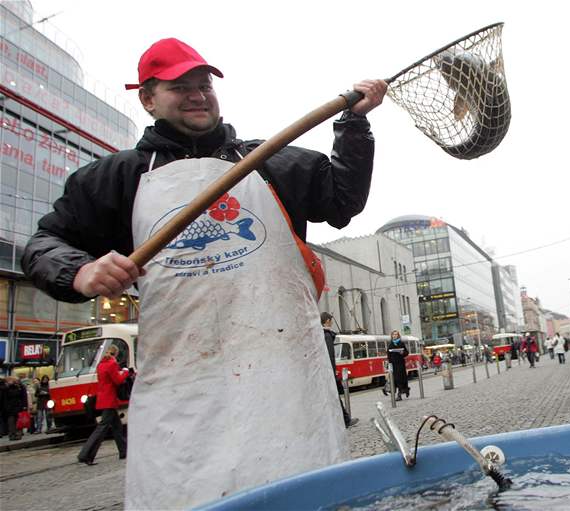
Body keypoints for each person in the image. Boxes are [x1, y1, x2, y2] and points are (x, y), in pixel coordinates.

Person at [21, 37, 386, 509]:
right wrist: (81, 271)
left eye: (203, 85)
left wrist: (354, 124)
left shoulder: (267, 161)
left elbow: (342, 200)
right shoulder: (117, 178)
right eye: (180, 87)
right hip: (182, 393)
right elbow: (42, 245)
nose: (197, 95)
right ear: (148, 99)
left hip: (286, 382)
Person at [77, 345, 129, 465]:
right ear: (116, 354)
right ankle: (86, 454)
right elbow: (117, 380)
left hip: (103, 398)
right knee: (102, 428)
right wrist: (125, 372)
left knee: (117, 427)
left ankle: (124, 451)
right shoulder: (112, 364)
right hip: (109, 399)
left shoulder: (101, 364)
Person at [321, 312, 358, 428]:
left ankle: (343, 420)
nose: (331, 322)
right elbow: (330, 356)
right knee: (335, 397)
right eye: (331, 320)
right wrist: (332, 372)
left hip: (324, 372)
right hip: (328, 373)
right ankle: (346, 420)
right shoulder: (327, 335)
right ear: (327, 321)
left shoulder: (321, 334)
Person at [387, 330, 410, 401]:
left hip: (400, 364)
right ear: (392, 336)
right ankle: (403, 391)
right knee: (395, 380)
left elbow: (406, 353)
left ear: (398, 336)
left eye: (396, 334)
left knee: (401, 379)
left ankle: (400, 394)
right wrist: (389, 364)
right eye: (393, 334)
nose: (394, 336)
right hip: (393, 365)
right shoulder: (390, 344)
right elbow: (388, 355)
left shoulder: (401, 343)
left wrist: (402, 353)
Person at [3, 376, 27, 441]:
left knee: (19, 421)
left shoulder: (21, 387)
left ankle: (18, 434)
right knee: (11, 422)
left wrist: (24, 406)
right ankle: (12, 435)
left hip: (19, 407)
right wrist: (6, 407)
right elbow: (5, 399)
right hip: (10, 408)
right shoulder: (7, 388)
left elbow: (24, 397)